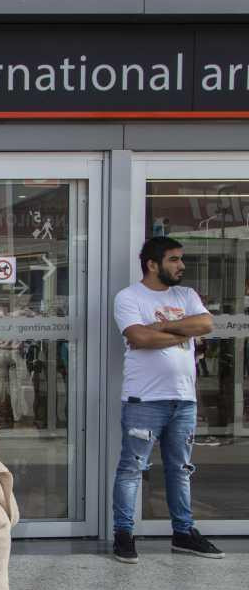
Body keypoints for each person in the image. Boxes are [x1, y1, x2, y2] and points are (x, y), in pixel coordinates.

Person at [111, 235, 222, 563]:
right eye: (174, 259)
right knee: (132, 467)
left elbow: (206, 323)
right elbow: (139, 336)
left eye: (180, 259)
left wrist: (166, 326)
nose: (181, 265)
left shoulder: (186, 294)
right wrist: (182, 332)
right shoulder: (129, 297)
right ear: (152, 264)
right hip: (144, 399)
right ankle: (123, 534)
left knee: (180, 469)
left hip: (184, 398)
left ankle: (183, 533)